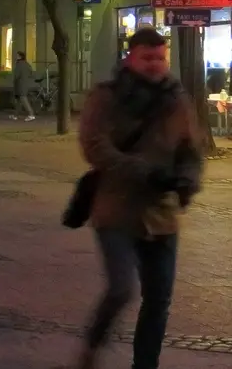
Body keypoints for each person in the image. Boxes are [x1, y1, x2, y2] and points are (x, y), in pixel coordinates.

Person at [74, 28, 203, 369]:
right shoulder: (106, 96)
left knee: (159, 299)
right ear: (130, 57)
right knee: (121, 289)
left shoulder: (176, 98)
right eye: (147, 57)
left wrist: (188, 178)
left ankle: (145, 365)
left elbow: (190, 148)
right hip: (116, 210)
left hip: (162, 214)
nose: (155, 64)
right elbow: (95, 146)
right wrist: (143, 170)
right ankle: (92, 346)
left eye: (160, 57)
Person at [12, 51, 37, 121]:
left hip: (20, 84)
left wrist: (14, 80)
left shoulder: (19, 64)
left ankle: (31, 114)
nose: (16, 57)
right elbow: (31, 74)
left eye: (17, 55)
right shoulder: (27, 64)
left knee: (22, 98)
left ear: (20, 56)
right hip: (26, 83)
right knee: (19, 100)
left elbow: (16, 75)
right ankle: (15, 115)